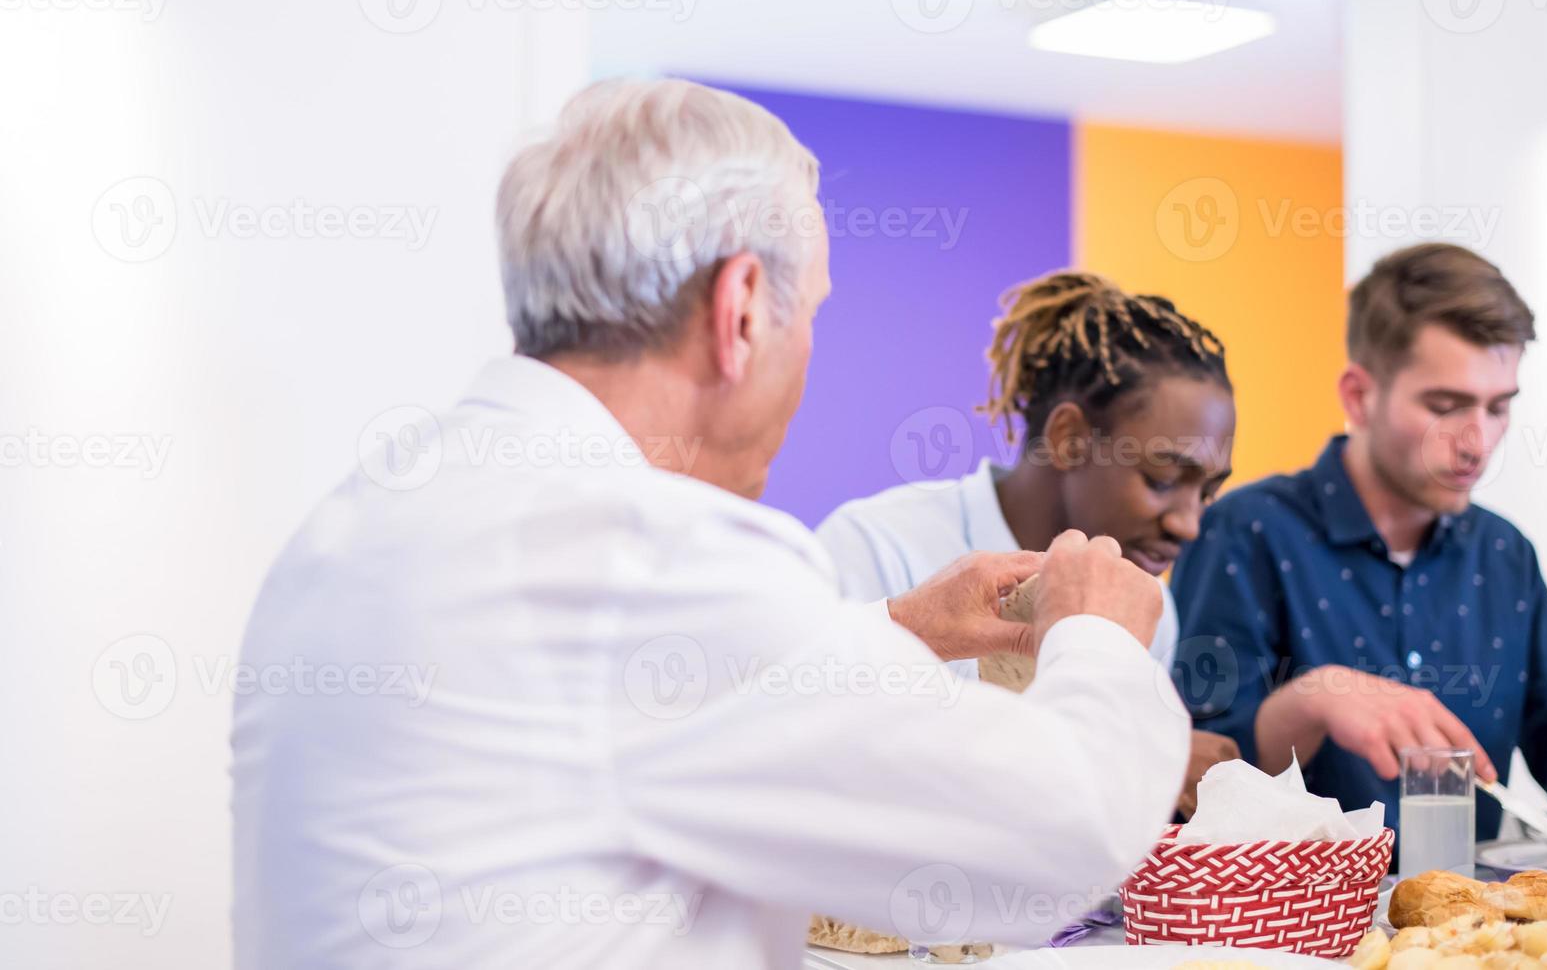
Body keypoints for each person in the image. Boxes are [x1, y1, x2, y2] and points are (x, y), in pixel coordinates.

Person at [230, 79, 1189, 970]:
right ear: (738, 313)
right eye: (809, 313)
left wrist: (895, 633)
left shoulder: (368, 515)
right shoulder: (649, 551)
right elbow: (1050, 840)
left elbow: (618, 712)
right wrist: (1100, 631)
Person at [1170, 242, 1547, 845]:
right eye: (1446, 405)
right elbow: (1193, 783)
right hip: (1293, 932)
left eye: (1498, 407)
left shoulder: (1506, 554)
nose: (1478, 442)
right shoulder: (1244, 532)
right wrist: (1311, 699)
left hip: (1471, 929)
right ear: (1359, 395)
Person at [816, 270, 1240, 815]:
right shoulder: (876, 547)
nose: (1190, 523)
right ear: (1068, 438)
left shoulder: (1146, 604)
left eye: (1208, 491)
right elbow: (823, 766)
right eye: (1162, 479)